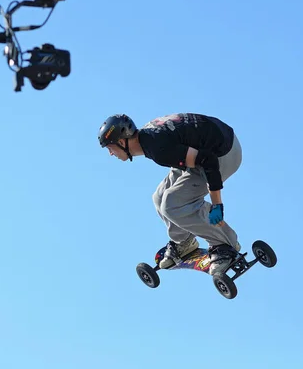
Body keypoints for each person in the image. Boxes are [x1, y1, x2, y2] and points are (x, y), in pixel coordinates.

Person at [98, 113, 243, 276]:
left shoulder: (158, 147)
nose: (111, 153)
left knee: (173, 204)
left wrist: (217, 204)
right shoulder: (148, 137)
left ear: (121, 141)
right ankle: (184, 242)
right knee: (159, 197)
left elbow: (208, 161)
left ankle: (225, 246)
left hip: (223, 154)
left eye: (110, 147)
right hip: (211, 142)